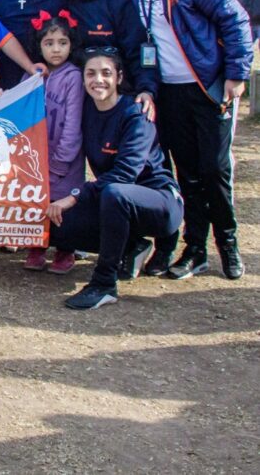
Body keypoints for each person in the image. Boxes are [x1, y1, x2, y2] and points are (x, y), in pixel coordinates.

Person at [112, 0, 251, 280]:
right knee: (186, 174)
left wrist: (236, 75)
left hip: (208, 86)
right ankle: (196, 249)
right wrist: (147, 88)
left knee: (215, 170)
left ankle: (229, 244)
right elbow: (144, 47)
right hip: (168, 91)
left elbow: (233, 19)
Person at [47, 49, 183, 309]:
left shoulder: (136, 113)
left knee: (116, 192)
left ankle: (104, 283)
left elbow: (125, 175)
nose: (98, 80)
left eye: (106, 73)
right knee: (56, 228)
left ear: (119, 77)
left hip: (161, 203)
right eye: (91, 73)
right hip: (114, 204)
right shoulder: (87, 110)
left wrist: (74, 197)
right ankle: (133, 245)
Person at [63, 0, 158, 117]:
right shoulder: (65, 0)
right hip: (79, 100)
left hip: (117, 99)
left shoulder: (118, 3)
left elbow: (139, 51)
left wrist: (147, 89)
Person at [22, 15, 84, 273]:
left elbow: (73, 123)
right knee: (36, 201)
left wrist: (61, 160)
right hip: (36, 157)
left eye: (62, 42)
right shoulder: (32, 76)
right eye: (49, 43)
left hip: (65, 160)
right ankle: (37, 246)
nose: (56, 49)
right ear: (40, 46)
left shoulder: (74, 77)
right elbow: (18, 108)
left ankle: (65, 249)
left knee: (62, 203)